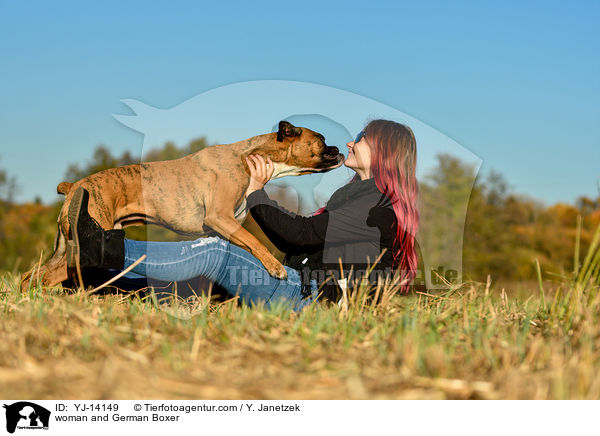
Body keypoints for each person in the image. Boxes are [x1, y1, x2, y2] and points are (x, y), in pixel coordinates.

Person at [67, 119, 419, 311]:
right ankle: (95, 280)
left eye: (361, 137)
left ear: (384, 151)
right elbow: (301, 236)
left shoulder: (375, 200)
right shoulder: (357, 195)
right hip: (304, 289)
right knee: (200, 282)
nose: (350, 143)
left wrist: (254, 191)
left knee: (215, 252)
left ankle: (102, 249)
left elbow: (299, 235)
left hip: (316, 302)